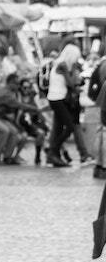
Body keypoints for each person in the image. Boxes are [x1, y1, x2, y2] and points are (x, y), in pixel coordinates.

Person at [46, 39, 90, 168]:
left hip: (58, 98)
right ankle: (53, 151)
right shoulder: (63, 65)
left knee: (59, 128)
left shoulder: (61, 64)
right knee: (69, 127)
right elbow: (70, 83)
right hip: (57, 99)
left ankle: (54, 155)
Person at [0, 73, 37, 165]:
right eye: (17, 83)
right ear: (11, 83)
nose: (18, 86)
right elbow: (19, 105)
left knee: (14, 132)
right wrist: (34, 109)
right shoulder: (7, 94)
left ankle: (7, 157)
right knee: (5, 131)